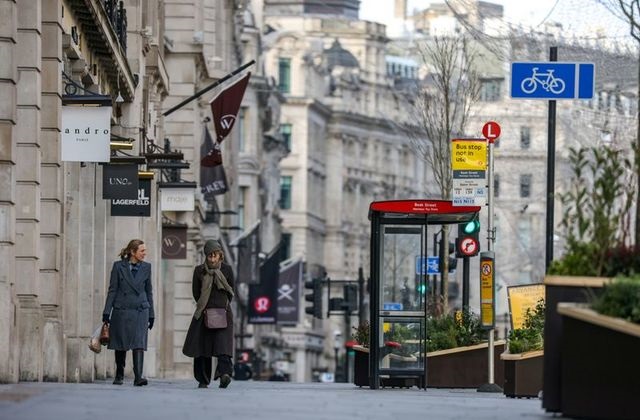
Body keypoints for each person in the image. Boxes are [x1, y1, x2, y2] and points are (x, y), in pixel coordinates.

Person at [182, 239, 235, 389]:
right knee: (202, 348)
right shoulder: (199, 271)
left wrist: (220, 305)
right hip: (204, 313)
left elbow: (231, 292)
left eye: (215, 255)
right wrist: (205, 305)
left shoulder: (227, 270)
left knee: (223, 347)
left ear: (220, 255)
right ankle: (203, 380)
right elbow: (196, 292)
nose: (212, 258)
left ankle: (225, 374)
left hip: (223, 313)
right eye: (209, 256)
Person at [102, 239, 154, 386]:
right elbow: (112, 290)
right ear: (133, 252)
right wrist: (107, 312)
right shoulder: (118, 266)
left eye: (145, 250)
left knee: (139, 342)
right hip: (122, 309)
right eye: (142, 251)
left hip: (140, 310)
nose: (145, 253)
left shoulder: (147, 267)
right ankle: (119, 374)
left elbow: (149, 292)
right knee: (120, 343)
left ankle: (138, 377)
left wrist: (151, 313)